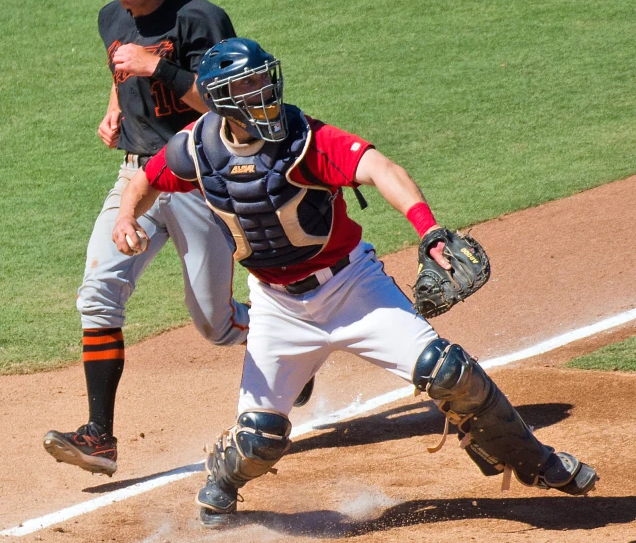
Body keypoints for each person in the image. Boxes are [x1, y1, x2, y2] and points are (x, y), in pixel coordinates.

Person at [112, 37, 598, 527]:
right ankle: (222, 479)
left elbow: (380, 168)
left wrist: (427, 229)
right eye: (250, 86)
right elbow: (147, 178)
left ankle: (536, 462)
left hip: (351, 288)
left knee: (448, 371)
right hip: (277, 307)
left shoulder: (305, 140)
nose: (265, 93)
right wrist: (126, 217)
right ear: (221, 100)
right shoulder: (195, 148)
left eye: (265, 79)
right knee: (259, 440)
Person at [42, 0, 312, 478]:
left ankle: (294, 341)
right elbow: (121, 67)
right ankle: (99, 438)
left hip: (196, 179)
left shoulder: (200, 19)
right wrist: (117, 104)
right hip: (137, 179)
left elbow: (231, 106)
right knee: (98, 294)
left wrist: (157, 67)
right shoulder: (111, 18)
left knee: (214, 326)